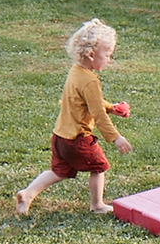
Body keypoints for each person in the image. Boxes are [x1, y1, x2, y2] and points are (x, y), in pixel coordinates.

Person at [15, 19, 133, 217]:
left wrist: (112, 107)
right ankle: (97, 205)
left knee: (59, 171)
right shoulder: (90, 81)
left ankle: (28, 193)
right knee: (99, 166)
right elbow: (97, 114)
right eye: (107, 55)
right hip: (79, 139)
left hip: (60, 137)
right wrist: (115, 137)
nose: (109, 60)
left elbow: (90, 102)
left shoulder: (76, 72)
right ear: (91, 54)